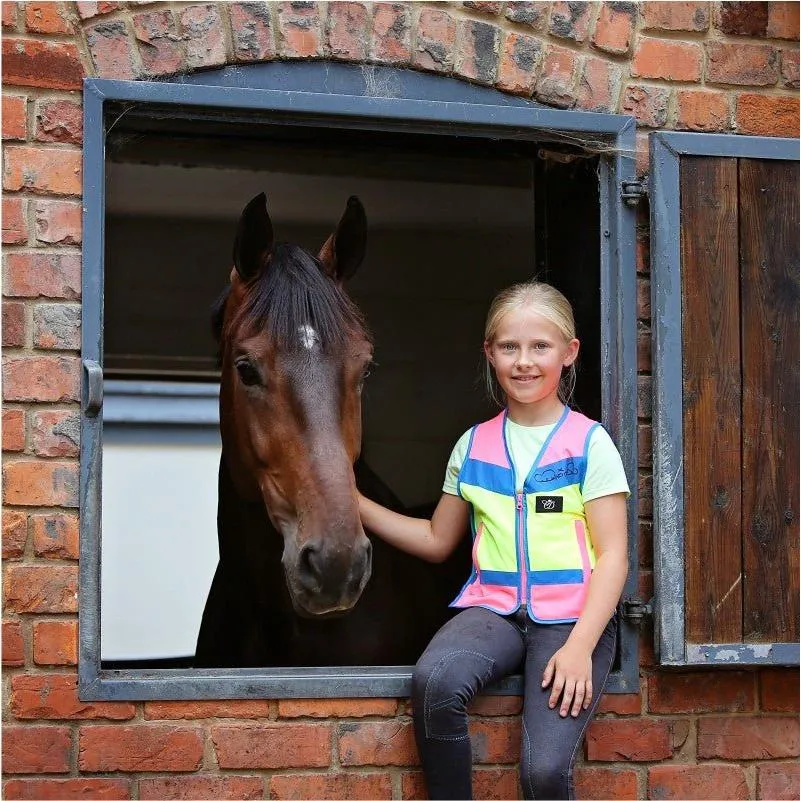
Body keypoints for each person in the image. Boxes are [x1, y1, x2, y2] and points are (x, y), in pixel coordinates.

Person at [358, 281, 629, 800]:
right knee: (435, 683)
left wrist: (579, 648)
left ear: (568, 354)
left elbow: (613, 554)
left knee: (543, 774)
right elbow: (438, 539)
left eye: (539, 347)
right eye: (509, 347)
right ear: (490, 352)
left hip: (572, 617)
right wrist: (356, 504)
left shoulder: (590, 445)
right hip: (494, 612)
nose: (523, 362)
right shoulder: (473, 445)